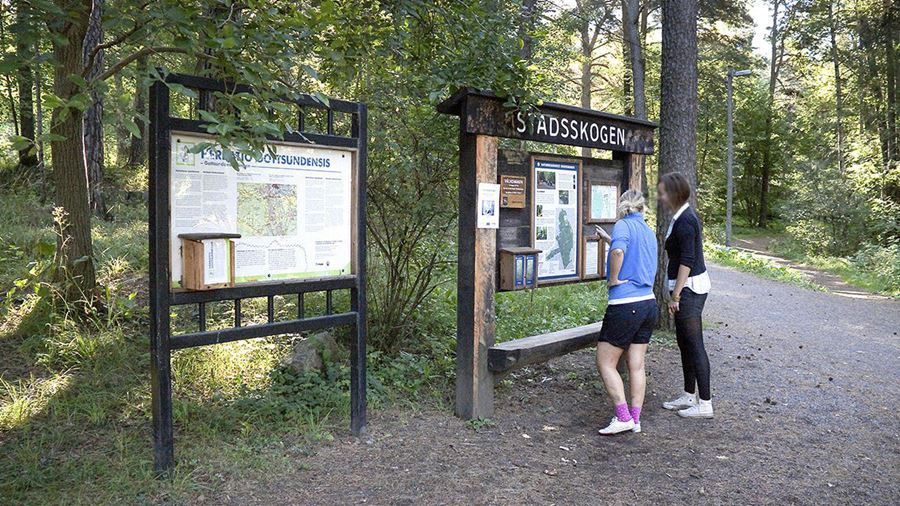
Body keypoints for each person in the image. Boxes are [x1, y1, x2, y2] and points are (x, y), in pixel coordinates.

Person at [594, 189, 658, 435]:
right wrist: (609, 240)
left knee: (605, 362)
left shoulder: (622, 225)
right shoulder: (648, 232)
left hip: (625, 305)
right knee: (637, 364)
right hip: (647, 304)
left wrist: (613, 279)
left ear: (622, 207)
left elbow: (620, 252)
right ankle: (635, 418)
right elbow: (630, 251)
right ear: (642, 208)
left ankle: (622, 417)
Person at [657, 172, 714, 419]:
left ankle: (705, 403)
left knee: (694, 344)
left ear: (674, 194)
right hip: (683, 288)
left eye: (662, 193)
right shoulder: (679, 217)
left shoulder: (687, 220)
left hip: (690, 289)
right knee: (684, 342)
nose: (660, 197)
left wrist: (676, 295)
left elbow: (687, 261)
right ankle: (689, 395)